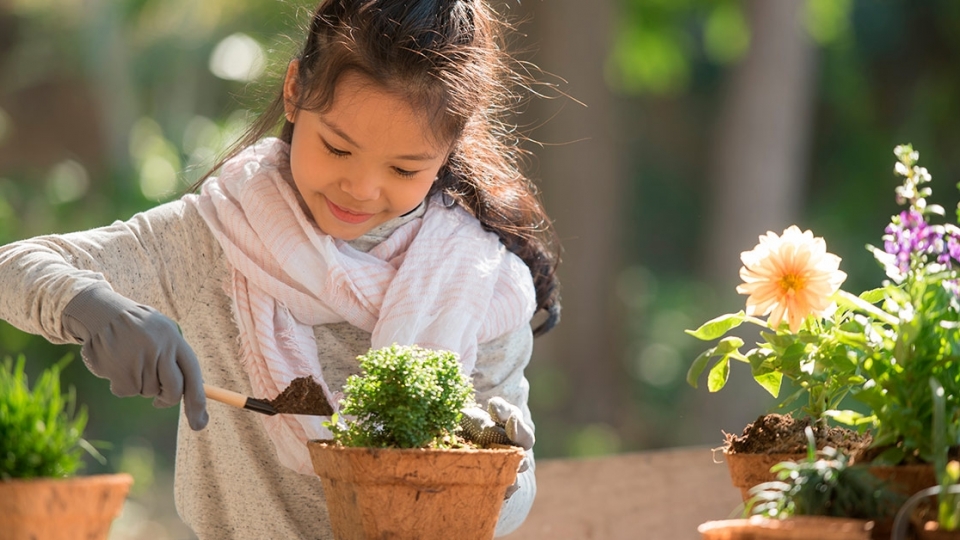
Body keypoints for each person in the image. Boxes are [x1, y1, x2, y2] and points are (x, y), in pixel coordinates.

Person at [0, 0, 560, 538]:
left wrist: (495, 466)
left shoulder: (483, 281)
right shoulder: (219, 234)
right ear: (295, 91)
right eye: (338, 149)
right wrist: (97, 310)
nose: (361, 189)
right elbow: (14, 267)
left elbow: (518, 501)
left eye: (403, 167)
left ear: (449, 147)